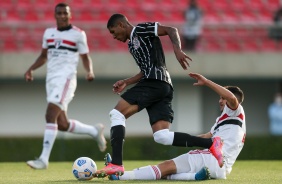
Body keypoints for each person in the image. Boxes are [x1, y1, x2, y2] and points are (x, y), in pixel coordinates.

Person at [95, 14, 224, 176]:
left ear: (121, 25)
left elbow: (171, 30)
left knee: (116, 114)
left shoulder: (141, 30)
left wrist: (177, 49)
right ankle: (212, 143)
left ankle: (116, 164)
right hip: (162, 86)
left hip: (155, 82)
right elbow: (145, 70)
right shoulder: (131, 46)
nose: (114, 37)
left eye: (113, 32)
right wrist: (127, 82)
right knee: (162, 136)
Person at [101, 72, 246, 181]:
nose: (220, 101)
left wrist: (207, 82)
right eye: (220, 98)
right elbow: (206, 137)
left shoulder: (235, 110)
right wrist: (182, 140)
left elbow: (231, 98)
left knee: (165, 167)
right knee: (167, 173)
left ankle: (120, 177)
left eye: (223, 98)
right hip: (222, 169)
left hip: (211, 158)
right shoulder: (224, 120)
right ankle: (195, 177)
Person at [24, 3, 106, 170]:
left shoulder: (78, 34)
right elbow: (43, 56)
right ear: (55, 15)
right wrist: (31, 69)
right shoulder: (49, 33)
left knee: (50, 114)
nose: (62, 16)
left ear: (70, 15)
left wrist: (89, 71)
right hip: (52, 79)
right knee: (61, 123)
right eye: (59, 13)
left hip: (66, 78)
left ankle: (43, 160)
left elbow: (85, 57)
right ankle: (94, 131)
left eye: (65, 13)